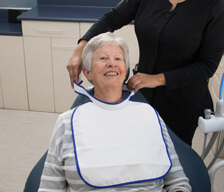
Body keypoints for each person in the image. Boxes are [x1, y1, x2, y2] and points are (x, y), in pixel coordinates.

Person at [67, 0, 224, 146]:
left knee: (171, 160)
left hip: (181, 104)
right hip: (141, 96)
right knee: (138, 149)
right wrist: (81, 48)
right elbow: (113, 17)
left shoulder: (214, 7)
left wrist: (157, 79)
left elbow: (207, 66)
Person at [39, 32, 191, 192]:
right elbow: (49, 188)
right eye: (103, 58)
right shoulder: (67, 122)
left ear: (125, 71)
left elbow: (178, 183)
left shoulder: (149, 115)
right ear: (87, 72)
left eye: (118, 59)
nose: (112, 63)